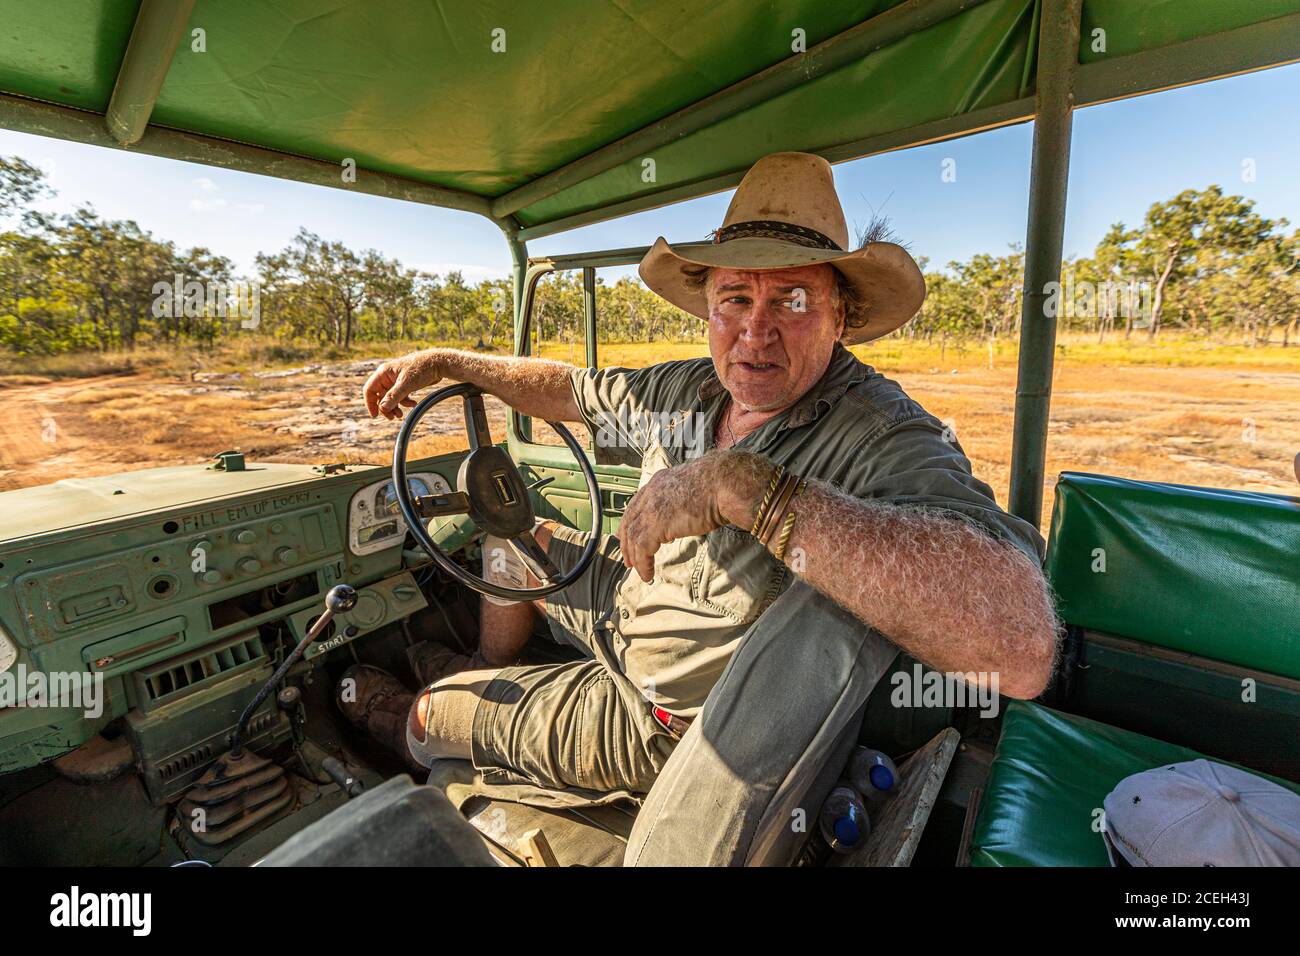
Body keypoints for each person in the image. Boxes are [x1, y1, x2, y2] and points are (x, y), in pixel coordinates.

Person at [341, 151, 1059, 794]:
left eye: (792, 299)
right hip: (624, 607)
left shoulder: (880, 435)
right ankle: (474, 660)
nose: (756, 330)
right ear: (709, 307)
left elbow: (1021, 646)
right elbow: (567, 389)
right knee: (508, 544)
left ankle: (416, 728)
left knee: (435, 716)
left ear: (841, 313)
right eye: (736, 300)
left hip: (667, 727)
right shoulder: (690, 390)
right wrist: (455, 365)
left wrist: (750, 491)